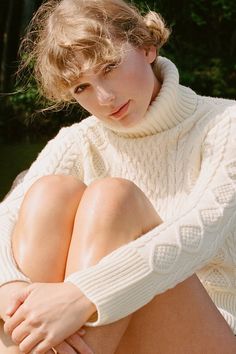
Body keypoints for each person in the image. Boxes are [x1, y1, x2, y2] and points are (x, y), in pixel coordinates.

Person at [0, 0, 236, 353]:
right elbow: (7, 217)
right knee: (49, 192)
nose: (105, 98)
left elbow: (202, 232)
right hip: (97, 334)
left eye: (109, 68)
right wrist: (8, 286)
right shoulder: (78, 141)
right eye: (82, 88)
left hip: (208, 330)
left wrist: (83, 295)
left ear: (146, 46)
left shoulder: (225, 124)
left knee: (113, 199)